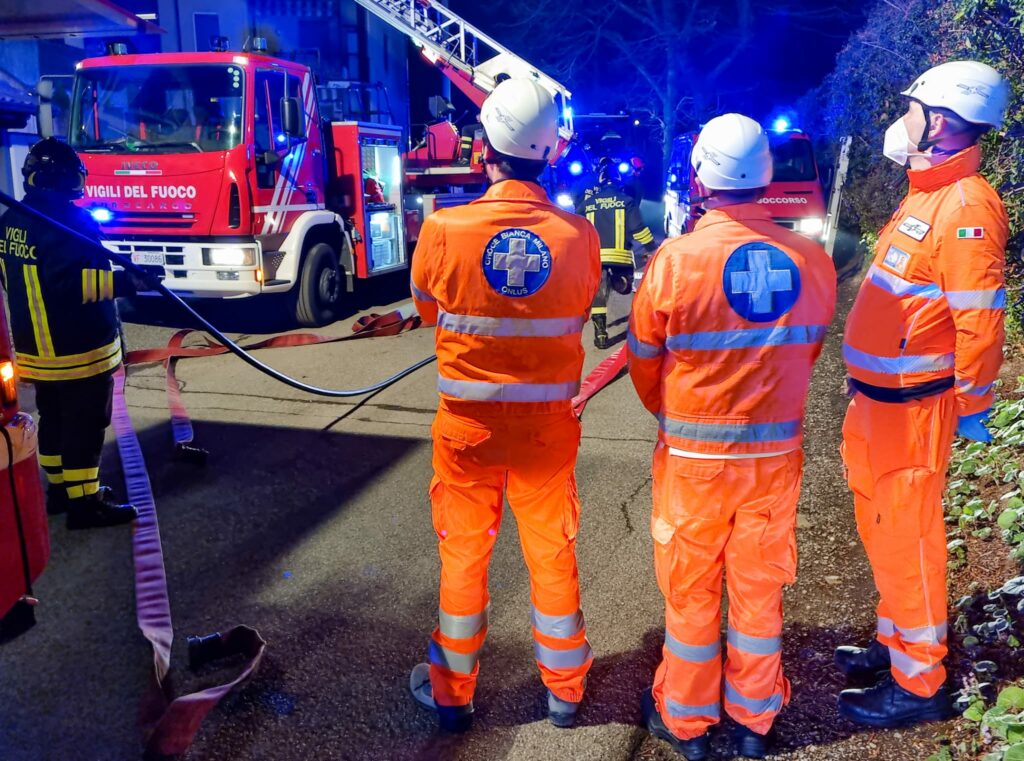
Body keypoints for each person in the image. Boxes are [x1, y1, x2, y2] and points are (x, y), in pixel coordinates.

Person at [628, 113, 836, 759]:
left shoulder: (674, 261)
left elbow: (642, 361)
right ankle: (754, 717)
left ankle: (686, 720)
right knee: (758, 585)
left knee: (691, 590)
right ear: (766, 175)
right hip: (774, 460)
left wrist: (674, 415)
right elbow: (809, 352)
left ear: (700, 178)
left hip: (695, 460)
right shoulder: (812, 258)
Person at [408, 78, 602, 732]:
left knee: (463, 560)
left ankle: (454, 693)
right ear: (547, 153)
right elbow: (577, 310)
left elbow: (427, 310)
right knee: (552, 555)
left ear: (484, 147)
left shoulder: (443, 228)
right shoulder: (579, 236)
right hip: (547, 436)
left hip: (468, 434)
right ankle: (566, 690)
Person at [836, 60, 1010, 727]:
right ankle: (895, 641)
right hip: (877, 405)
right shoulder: (929, 193)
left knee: (909, 538)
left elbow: (979, 321)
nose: (901, 116)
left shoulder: (966, 205)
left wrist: (972, 404)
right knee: (884, 531)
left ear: (939, 120)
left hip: (914, 410)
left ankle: (919, 682)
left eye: (911, 106)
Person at [0, 138, 139, 529]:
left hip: (34, 351)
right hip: (78, 349)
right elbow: (76, 285)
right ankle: (86, 504)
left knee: (55, 418)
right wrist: (128, 283)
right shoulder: (74, 223)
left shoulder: (10, 220)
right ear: (67, 180)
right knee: (85, 424)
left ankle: (60, 491)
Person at [577, 157, 657, 348]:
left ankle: (601, 334)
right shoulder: (626, 201)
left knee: (598, 294)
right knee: (625, 287)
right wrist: (653, 249)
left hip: (596, 258)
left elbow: (576, 226)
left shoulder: (587, 204)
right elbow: (639, 229)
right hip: (620, 257)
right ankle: (620, 281)